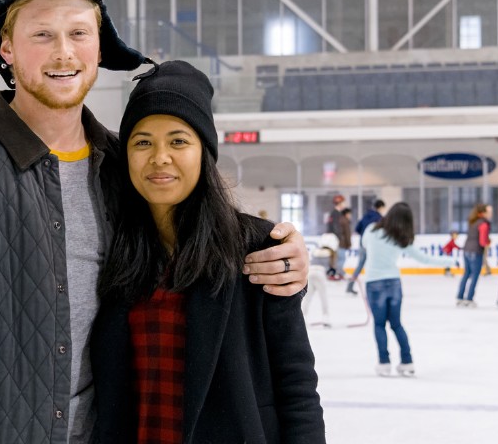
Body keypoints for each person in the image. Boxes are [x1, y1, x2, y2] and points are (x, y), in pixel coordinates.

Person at [0, 0, 309, 444]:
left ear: (99, 46)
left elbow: (195, 245)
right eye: (42, 34)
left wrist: (283, 255)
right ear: (7, 47)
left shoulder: (122, 165)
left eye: (79, 33)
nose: (63, 52)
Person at [91, 60, 324, 443]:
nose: (159, 157)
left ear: (205, 152)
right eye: (142, 141)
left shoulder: (257, 249)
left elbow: (296, 387)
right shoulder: (114, 247)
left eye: (178, 141)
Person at [362, 202, 454, 377]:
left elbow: (365, 245)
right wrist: (449, 261)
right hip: (394, 283)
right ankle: (407, 361)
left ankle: (384, 363)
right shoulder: (401, 238)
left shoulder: (372, 230)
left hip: (374, 283)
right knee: (396, 324)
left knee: (380, 324)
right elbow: (425, 259)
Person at [456, 203, 491, 308]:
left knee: (467, 274)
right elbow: (482, 241)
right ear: (483, 213)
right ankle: (469, 298)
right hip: (476, 251)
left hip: (466, 249)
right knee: (475, 276)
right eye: (488, 212)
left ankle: (460, 297)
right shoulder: (483, 224)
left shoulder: (473, 221)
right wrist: (488, 242)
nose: (490, 214)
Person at [349, 199, 385, 294]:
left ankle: (350, 285)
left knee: (360, 265)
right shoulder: (379, 218)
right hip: (373, 245)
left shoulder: (365, 216)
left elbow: (357, 229)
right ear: (380, 207)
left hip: (362, 243)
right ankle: (377, 286)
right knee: (375, 265)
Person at [304, 233, 338, 327]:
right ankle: (325, 317)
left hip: (310, 273)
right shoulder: (331, 253)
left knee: (307, 298)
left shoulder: (316, 251)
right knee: (323, 297)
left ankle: (302, 317)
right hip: (320, 275)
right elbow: (333, 269)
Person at [325, 194, 350, 281]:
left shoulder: (334, 213)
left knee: (335, 257)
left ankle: (333, 273)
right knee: (337, 257)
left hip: (334, 238)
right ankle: (334, 273)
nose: (344, 204)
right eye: (343, 202)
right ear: (340, 203)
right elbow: (336, 227)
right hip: (334, 239)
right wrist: (340, 238)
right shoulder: (336, 213)